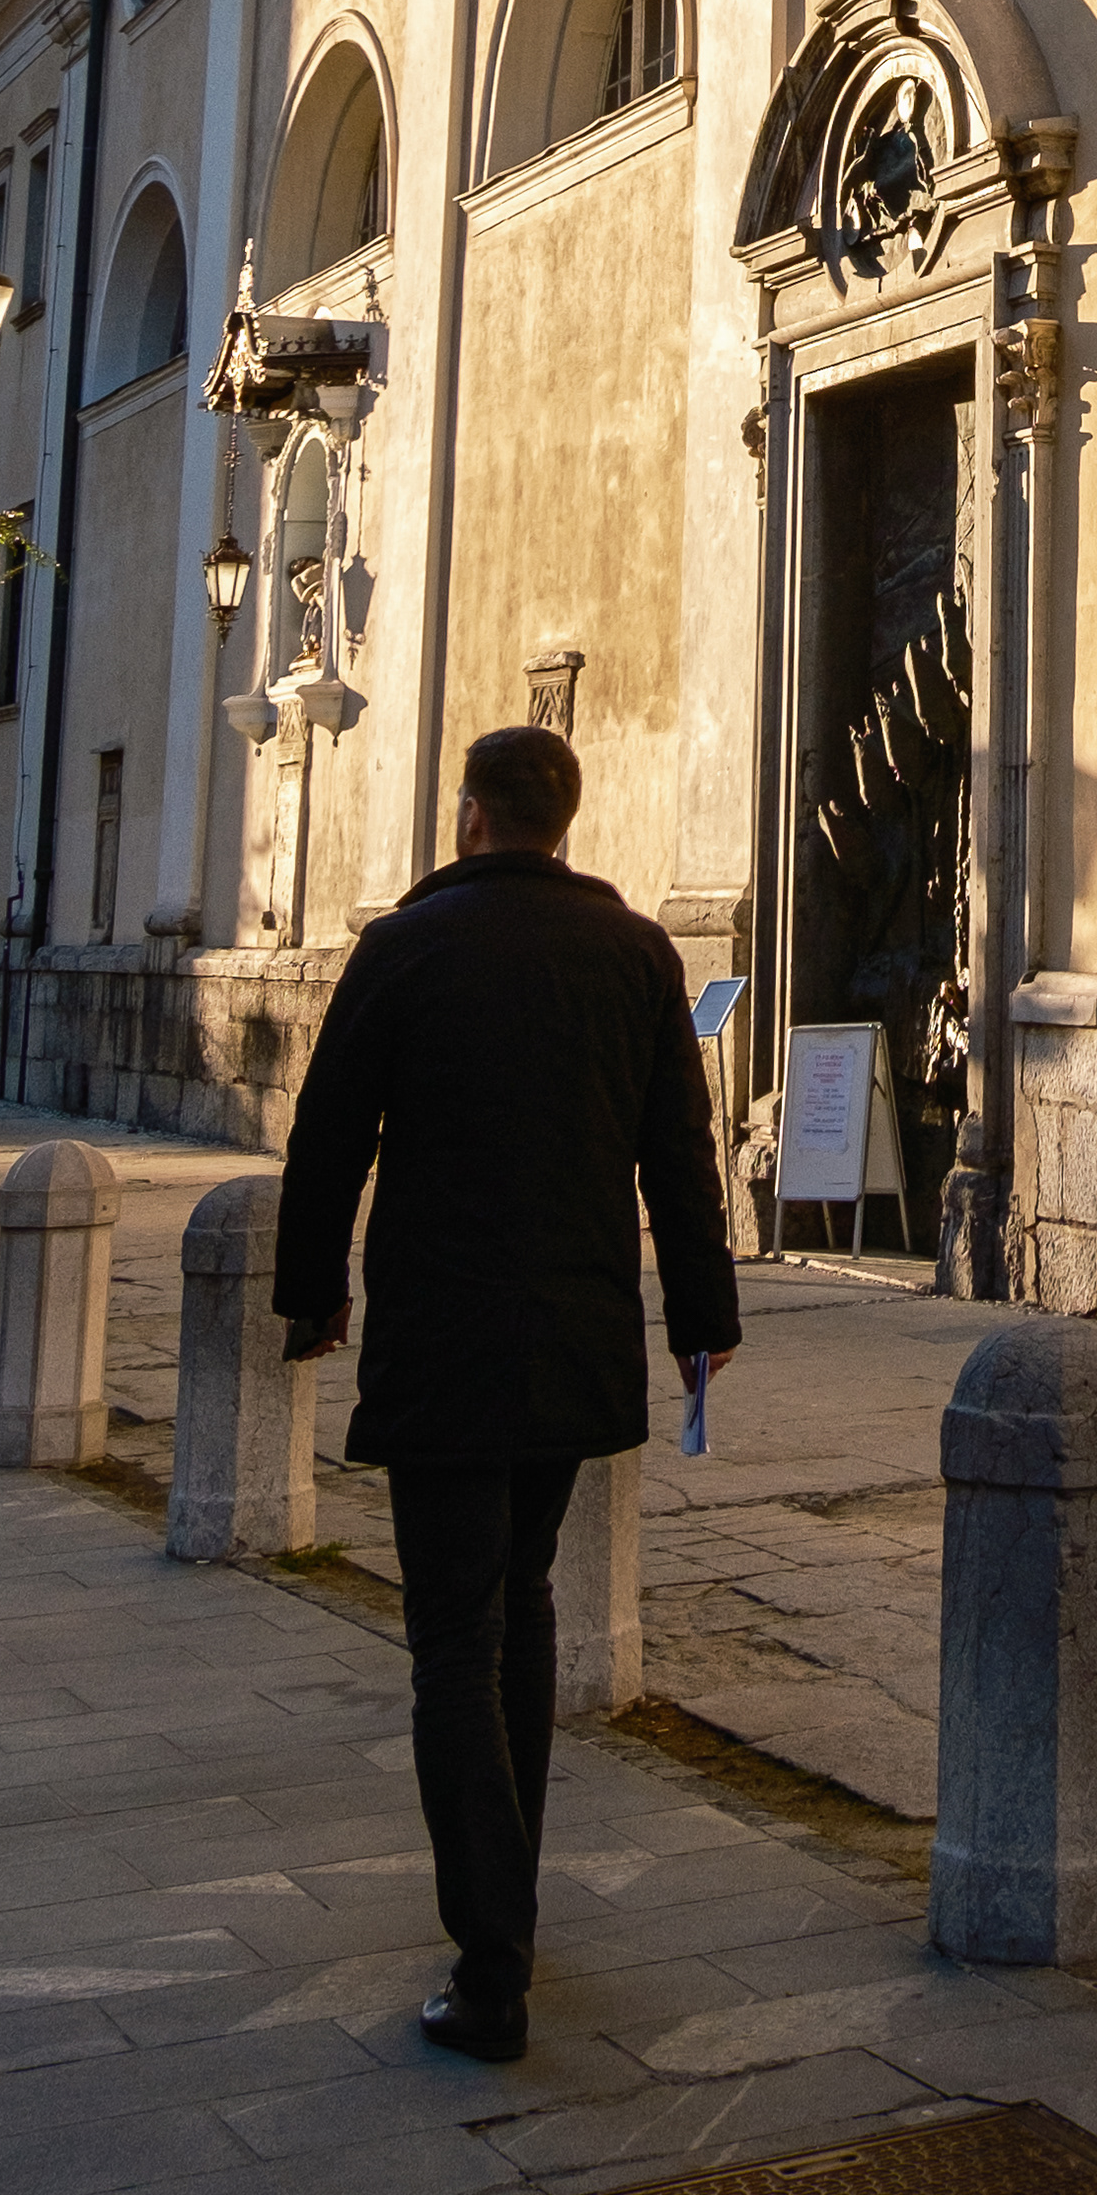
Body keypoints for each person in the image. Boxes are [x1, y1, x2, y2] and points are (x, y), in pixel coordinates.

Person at [272, 721, 739, 2062]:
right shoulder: (636, 954)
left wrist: (311, 1294)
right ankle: (511, 1905)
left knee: (450, 1644)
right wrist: (704, 1320)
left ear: (473, 815)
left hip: (445, 1342)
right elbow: (680, 1157)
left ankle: (491, 1968)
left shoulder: (405, 948)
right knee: (518, 1605)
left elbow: (329, 1136)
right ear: (565, 821)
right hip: (573, 1336)